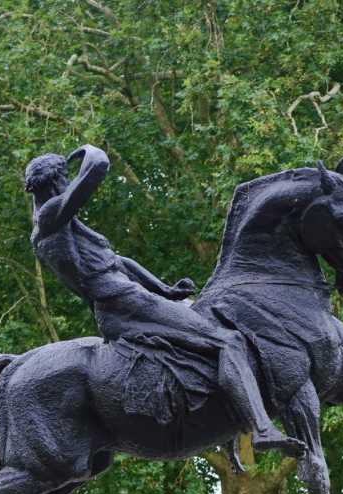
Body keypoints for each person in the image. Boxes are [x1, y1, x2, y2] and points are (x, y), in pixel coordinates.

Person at [24, 145, 303, 457]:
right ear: (54, 181)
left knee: (201, 326)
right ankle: (261, 429)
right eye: (64, 177)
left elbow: (118, 263)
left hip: (126, 301)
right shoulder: (50, 216)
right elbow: (98, 166)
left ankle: (224, 416)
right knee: (228, 342)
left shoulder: (57, 224)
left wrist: (165, 290)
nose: (67, 182)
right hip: (124, 304)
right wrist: (87, 150)